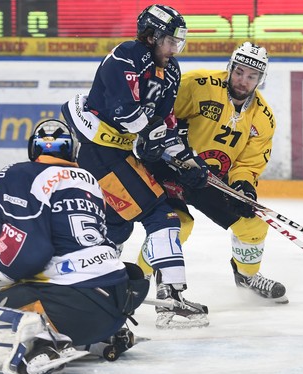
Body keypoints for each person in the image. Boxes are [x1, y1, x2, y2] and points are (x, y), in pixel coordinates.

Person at [0, 119, 149, 374]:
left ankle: (41, 342)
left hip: (71, 307)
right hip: (116, 299)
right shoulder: (90, 181)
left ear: (34, 150)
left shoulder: (18, 174)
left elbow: (28, 255)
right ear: (71, 150)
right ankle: (105, 335)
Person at [61, 4, 209, 329]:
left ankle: (92, 295)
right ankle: (170, 303)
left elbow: (164, 125)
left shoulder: (170, 71)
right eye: (169, 40)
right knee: (161, 214)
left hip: (116, 153)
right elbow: (126, 112)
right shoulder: (127, 54)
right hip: (96, 152)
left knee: (116, 227)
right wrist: (152, 134)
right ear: (151, 35)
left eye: (178, 42)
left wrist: (186, 158)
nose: (174, 48)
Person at [139, 42, 288, 304]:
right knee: (178, 225)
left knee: (253, 225)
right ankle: (139, 278)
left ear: (260, 79)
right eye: (240, 72)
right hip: (169, 169)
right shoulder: (198, 84)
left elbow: (249, 163)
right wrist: (176, 154)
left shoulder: (263, 118)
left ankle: (247, 277)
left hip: (210, 179)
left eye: (252, 76)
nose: (243, 81)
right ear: (230, 68)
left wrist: (244, 186)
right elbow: (160, 115)